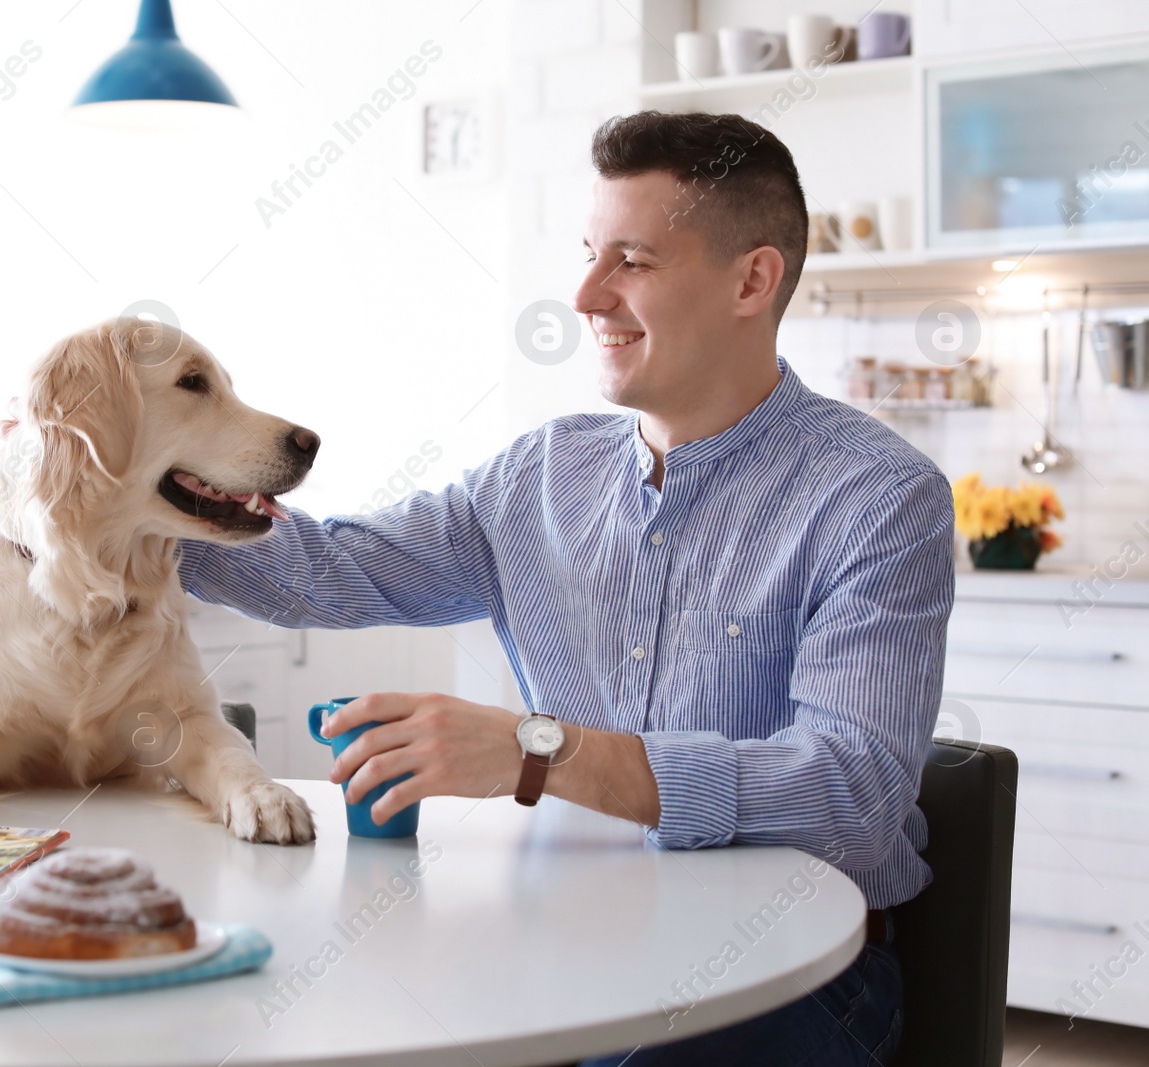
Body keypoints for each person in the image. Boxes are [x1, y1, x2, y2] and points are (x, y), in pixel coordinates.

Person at [176, 110, 952, 1066]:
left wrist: (538, 752)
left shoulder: (877, 497)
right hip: (573, 943)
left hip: (787, 980)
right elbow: (329, 565)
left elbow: (849, 792)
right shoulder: (540, 475)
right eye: (589, 252)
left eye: (632, 260)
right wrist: (113, 500)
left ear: (753, 279)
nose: (586, 294)